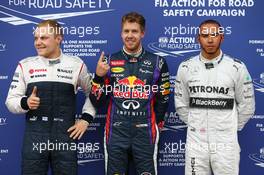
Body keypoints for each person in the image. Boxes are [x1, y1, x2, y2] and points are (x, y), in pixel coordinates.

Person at [5, 20, 95, 175]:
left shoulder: (76, 64)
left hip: (65, 138)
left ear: (58, 39)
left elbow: (93, 94)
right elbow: (10, 101)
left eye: (43, 38)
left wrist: (86, 119)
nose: (38, 42)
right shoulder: (25, 65)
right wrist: (25, 102)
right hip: (35, 137)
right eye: (36, 38)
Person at [89, 12, 170, 175]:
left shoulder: (158, 62)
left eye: (134, 31)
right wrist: (98, 76)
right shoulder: (108, 62)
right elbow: (96, 101)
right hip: (116, 132)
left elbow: (163, 97)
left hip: (145, 133)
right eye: (126, 31)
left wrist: (156, 122)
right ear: (121, 33)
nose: (130, 35)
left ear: (142, 33)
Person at [174, 19, 255, 175]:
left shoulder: (236, 67)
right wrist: (196, 123)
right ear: (198, 38)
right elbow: (181, 105)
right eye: (205, 35)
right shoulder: (186, 67)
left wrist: (229, 128)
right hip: (196, 142)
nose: (210, 40)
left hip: (226, 143)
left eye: (214, 35)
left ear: (222, 37)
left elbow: (247, 105)